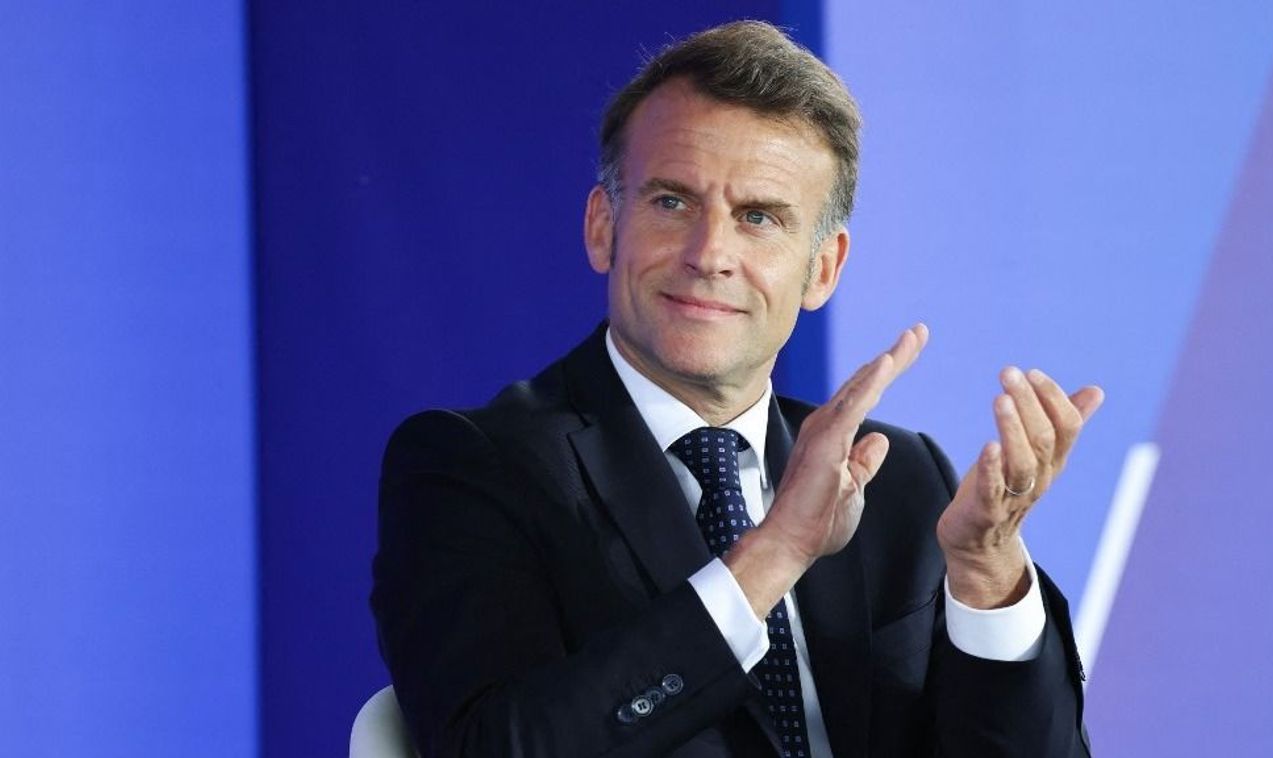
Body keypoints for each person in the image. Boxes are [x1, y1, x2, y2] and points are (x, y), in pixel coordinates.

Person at [371, 20, 1102, 757]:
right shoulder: (473, 466)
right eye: (672, 202)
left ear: (823, 268)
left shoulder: (902, 478)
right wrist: (776, 551)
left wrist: (986, 571)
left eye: (758, 217)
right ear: (602, 227)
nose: (709, 254)